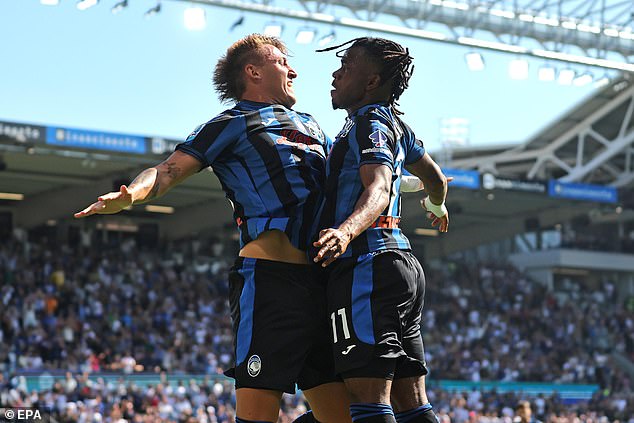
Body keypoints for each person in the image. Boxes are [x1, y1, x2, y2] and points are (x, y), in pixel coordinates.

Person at [74, 34, 351, 423]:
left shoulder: (312, 125)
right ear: (253, 72)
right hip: (271, 281)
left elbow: (349, 177)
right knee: (258, 413)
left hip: (324, 283)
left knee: (347, 416)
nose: (294, 70)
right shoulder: (232, 123)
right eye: (282, 62)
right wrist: (130, 196)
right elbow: (167, 170)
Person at [311, 37, 449, 423]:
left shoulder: (368, 122)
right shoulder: (397, 126)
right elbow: (436, 179)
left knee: (368, 400)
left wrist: (345, 231)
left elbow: (378, 188)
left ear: (371, 83)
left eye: (346, 67)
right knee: (413, 403)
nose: (335, 74)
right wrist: (436, 205)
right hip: (400, 265)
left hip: (366, 264)